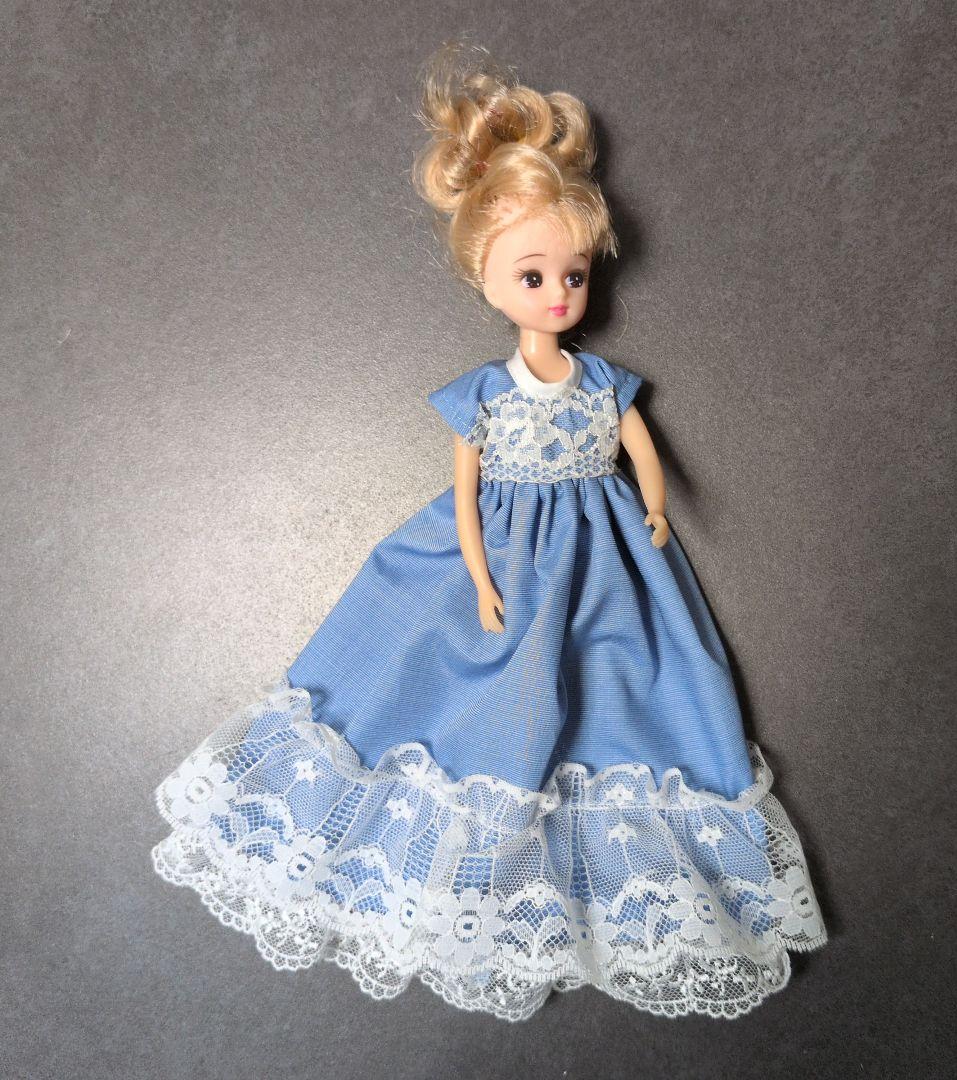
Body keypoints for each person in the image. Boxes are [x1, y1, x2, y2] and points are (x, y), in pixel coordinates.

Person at [151, 39, 826, 1022]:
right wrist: (476, 574)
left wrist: (650, 505)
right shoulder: (484, 393)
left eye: (572, 275)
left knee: (631, 692)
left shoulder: (602, 383)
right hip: (500, 555)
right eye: (534, 275)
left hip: (607, 564)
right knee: (448, 700)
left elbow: (640, 450)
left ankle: (617, 887)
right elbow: (464, 495)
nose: (558, 294)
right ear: (487, 276)